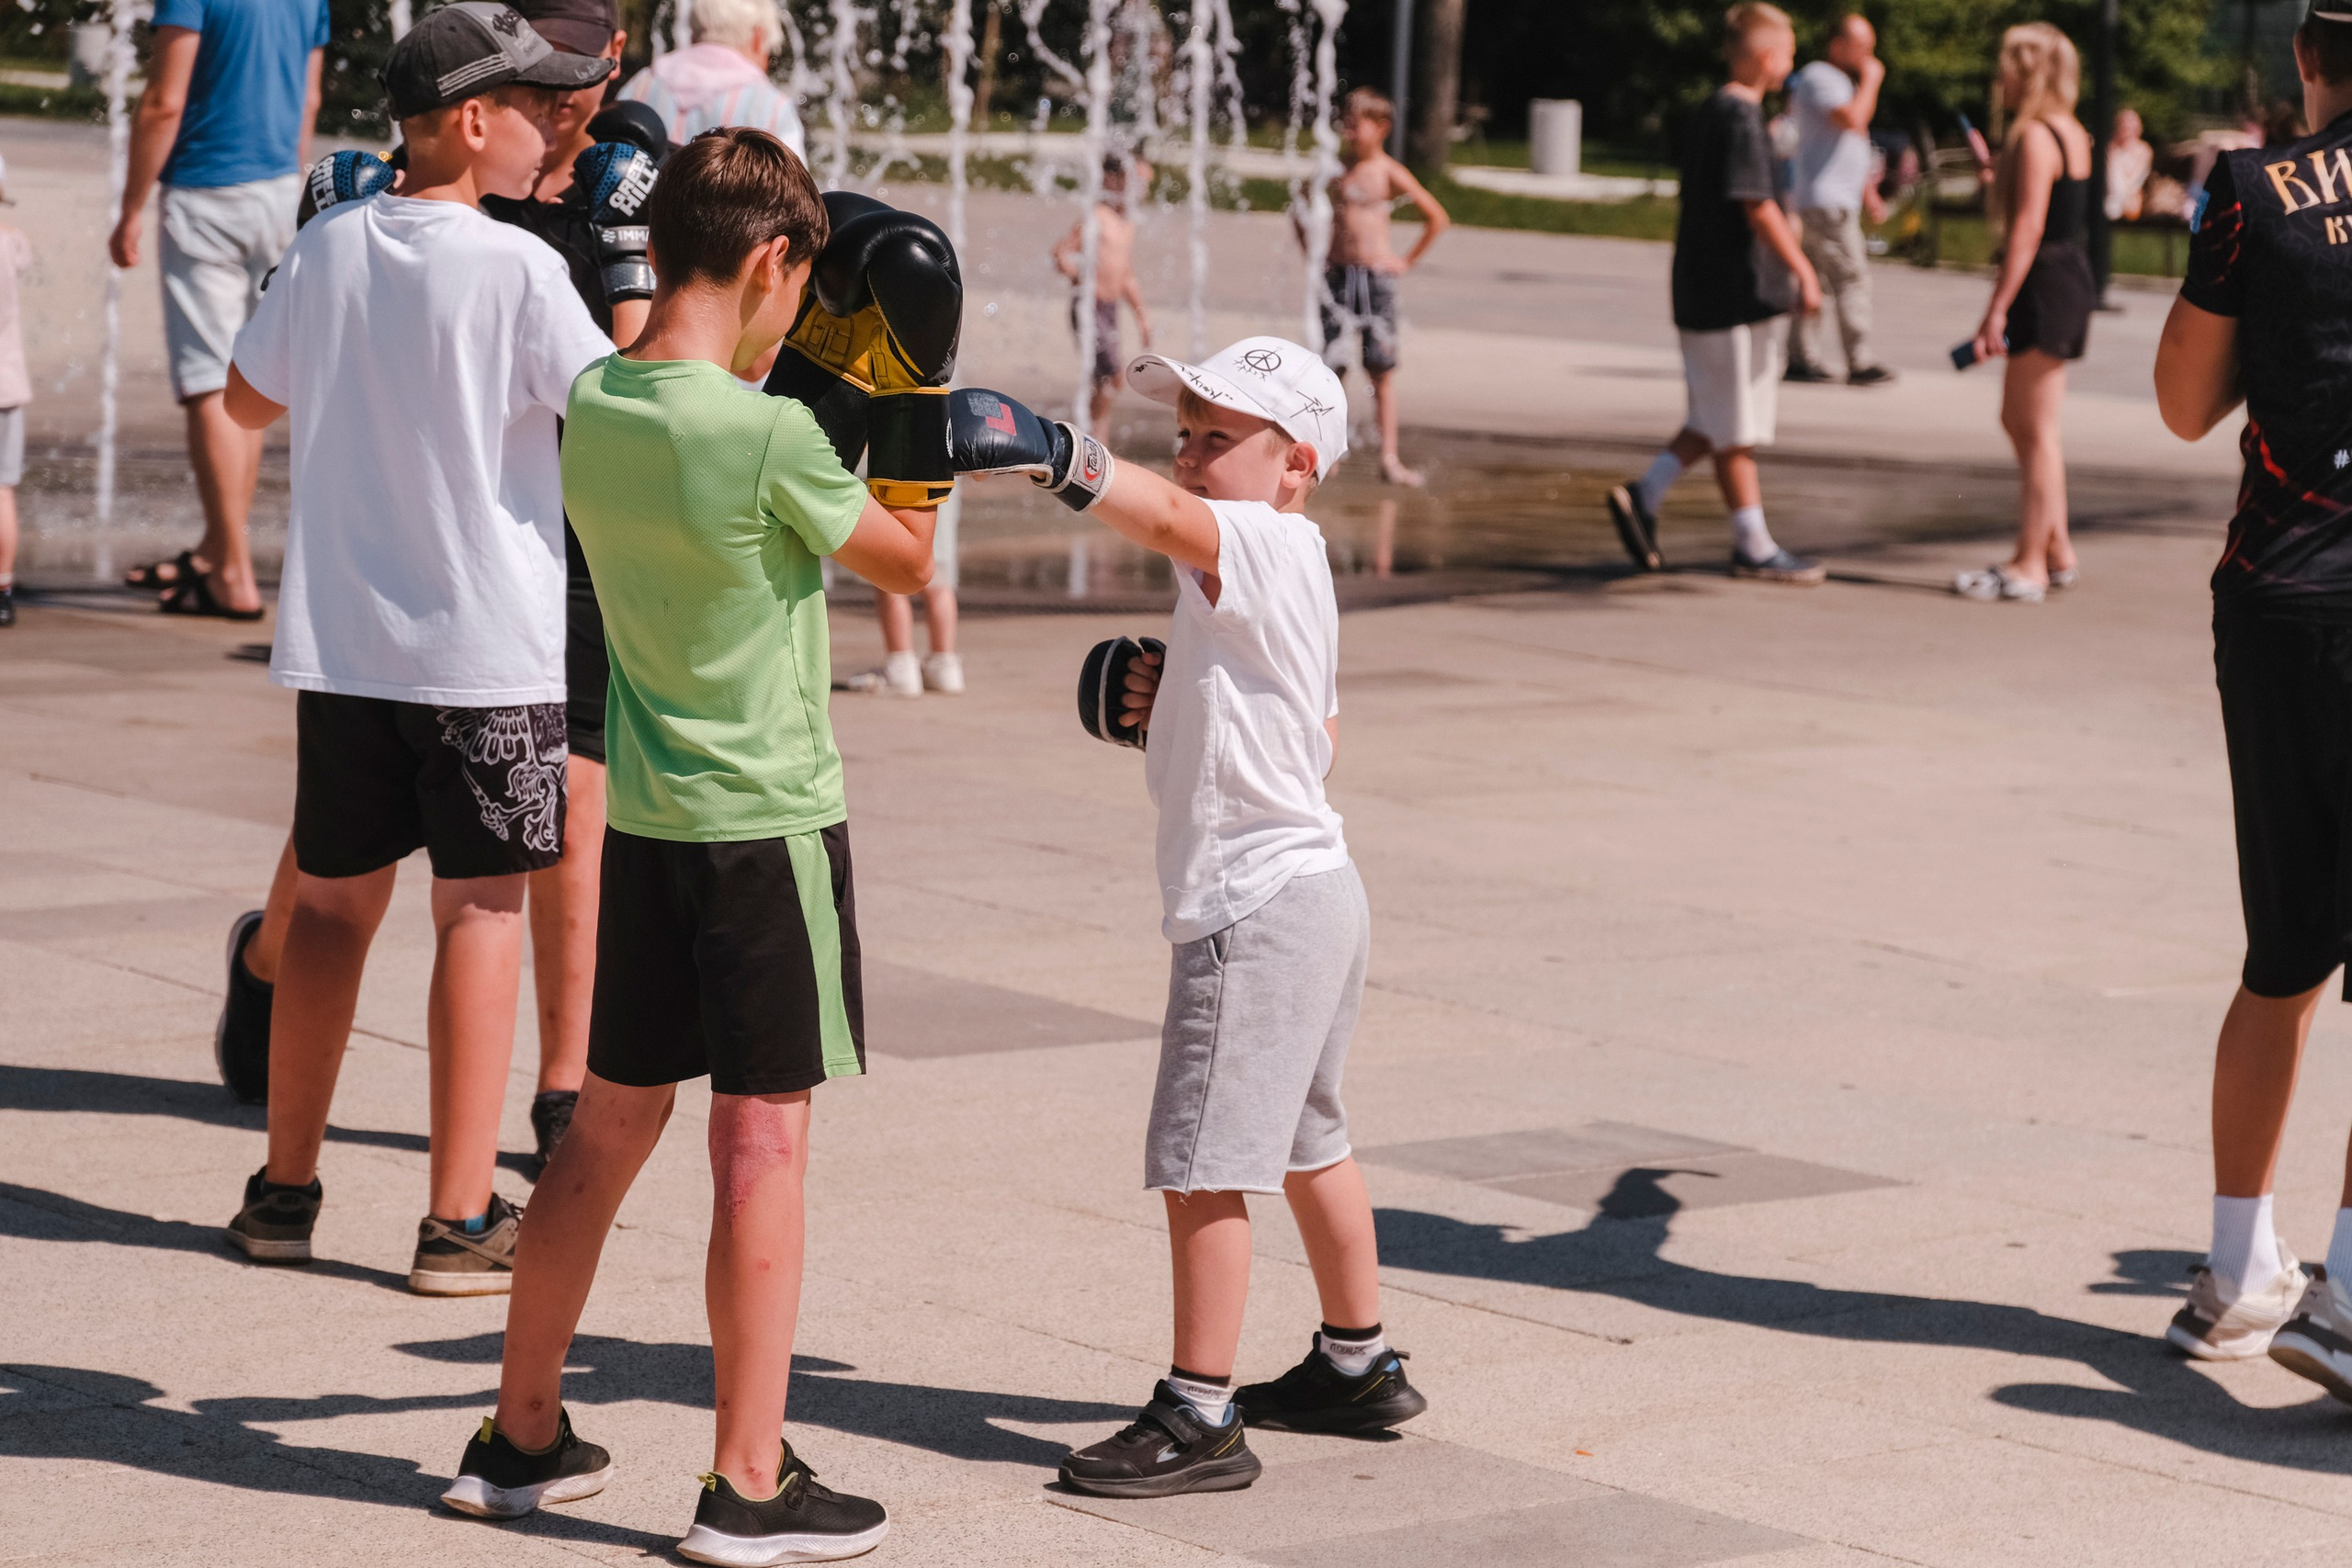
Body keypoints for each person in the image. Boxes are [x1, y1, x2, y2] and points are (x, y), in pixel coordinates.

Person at [443, 127, 937, 1562]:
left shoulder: (600, 399)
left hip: (648, 822)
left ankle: (520, 1430)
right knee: (761, 1135)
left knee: (605, 1124)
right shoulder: (772, 435)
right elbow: (905, 558)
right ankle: (747, 1480)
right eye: (801, 284)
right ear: (776, 261)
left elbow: (703, 399)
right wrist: (912, 418)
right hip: (766, 822)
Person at [944, 339, 1429, 1497]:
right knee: (1312, 1138)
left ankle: (1198, 1411)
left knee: (1205, 1161)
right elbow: (1312, 738)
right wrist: (1168, 710)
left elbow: (1164, 518)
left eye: (1222, 438)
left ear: (1296, 466)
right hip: (1318, 890)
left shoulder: (1255, 537)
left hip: (1255, 908)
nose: (1194, 454)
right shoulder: (1282, 567)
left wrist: (1059, 455)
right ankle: (1356, 1365)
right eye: (1189, 431)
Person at [214, 2, 615, 1294]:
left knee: (331, 904)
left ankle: (283, 1188)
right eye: (536, 102)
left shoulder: (329, 245)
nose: (554, 120)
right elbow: (605, 414)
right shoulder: (516, 269)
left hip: (343, 642)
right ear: (473, 120)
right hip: (488, 652)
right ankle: (455, 1217)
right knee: (482, 908)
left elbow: (245, 395)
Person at [2154, 2, 2352, 1392]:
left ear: (2308, 60)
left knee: (2284, 951)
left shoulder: (2252, 192)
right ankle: (2345, 1299)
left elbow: (2183, 401)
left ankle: (2238, 1266)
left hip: (2282, 590)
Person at [485, 0, 657, 1173]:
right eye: (539, 72)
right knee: (339, 851)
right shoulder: (456, 160)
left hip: (583, 532)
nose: (560, 98)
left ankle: (562, 1082)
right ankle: (270, 961)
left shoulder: (631, 181)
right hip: (460, 528)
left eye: (578, 75)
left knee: (575, 806)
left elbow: (663, 379)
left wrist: (634, 250)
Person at [108, 0, 328, 621]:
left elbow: (163, 102)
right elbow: (308, 102)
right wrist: (287, 189)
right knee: (247, 372)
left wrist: (128, 209)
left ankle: (233, 571)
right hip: (278, 192)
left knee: (208, 379)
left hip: (205, 192)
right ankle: (215, 546)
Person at [1604, 3, 1825, 585]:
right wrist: (1802, 266)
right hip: (1732, 293)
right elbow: (1756, 204)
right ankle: (1752, 544)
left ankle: (1645, 494)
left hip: (1712, 289)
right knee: (1736, 426)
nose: (1794, 62)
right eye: (1790, 51)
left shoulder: (1717, 111)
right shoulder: (1739, 115)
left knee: (1719, 411)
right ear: (1764, 55)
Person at [1951, 24, 2094, 605]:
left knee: (2035, 431)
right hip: (2065, 276)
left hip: (2044, 281)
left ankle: (2029, 562)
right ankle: (2055, 548)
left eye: (2007, 67)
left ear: (2028, 72)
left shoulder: (2034, 135)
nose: (1999, 78)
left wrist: (1996, 310)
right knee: (2022, 420)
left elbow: (2030, 228)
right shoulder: (2070, 130)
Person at [1311, 88, 1449, 487]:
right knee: (1331, 368)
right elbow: (1301, 207)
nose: (1349, 132)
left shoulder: (1388, 172)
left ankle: (1389, 457)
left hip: (1375, 281)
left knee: (1381, 371)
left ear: (1382, 128)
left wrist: (1404, 261)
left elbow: (1436, 217)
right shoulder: (1335, 169)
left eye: (1358, 125)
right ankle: (1330, 452)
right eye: (1346, 124)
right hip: (1337, 277)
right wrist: (1314, 252)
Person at [1782, 15, 1894, 388]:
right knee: (1851, 278)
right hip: (1825, 200)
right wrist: (1874, 79)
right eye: (1861, 45)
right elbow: (1852, 119)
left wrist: (1867, 191)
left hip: (1831, 197)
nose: (1868, 55)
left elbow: (1853, 140)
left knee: (1814, 281)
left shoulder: (1841, 82)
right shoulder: (1820, 76)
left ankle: (1801, 356)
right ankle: (1859, 360)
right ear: (1837, 44)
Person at [617, 0, 807, 160]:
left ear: (694, 32)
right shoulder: (771, 105)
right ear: (758, 38)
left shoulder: (641, 84)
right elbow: (799, 196)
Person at [1053, 154, 1156, 437]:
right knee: (1112, 376)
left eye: (1147, 184)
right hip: (1089, 306)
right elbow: (1061, 252)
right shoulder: (1097, 216)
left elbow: (1127, 276)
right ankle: (1092, 430)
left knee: (1102, 378)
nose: (1143, 191)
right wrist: (1076, 274)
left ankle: (1094, 435)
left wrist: (1142, 316)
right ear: (1114, 180)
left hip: (1109, 309)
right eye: (1138, 183)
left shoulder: (1127, 224)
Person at [0, 161, 28, 630]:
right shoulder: (10, 243)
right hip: (6, 389)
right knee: (2, 490)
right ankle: (2, 586)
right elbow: (25, 251)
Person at [2106, 105, 2154, 222]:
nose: (2125, 129)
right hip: (2111, 192)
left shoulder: (2144, 150)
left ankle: (2115, 205)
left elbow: (2137, 181)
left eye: (2129, 127)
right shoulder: (2109, 148)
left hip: (2131, 196)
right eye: (2123, 126)